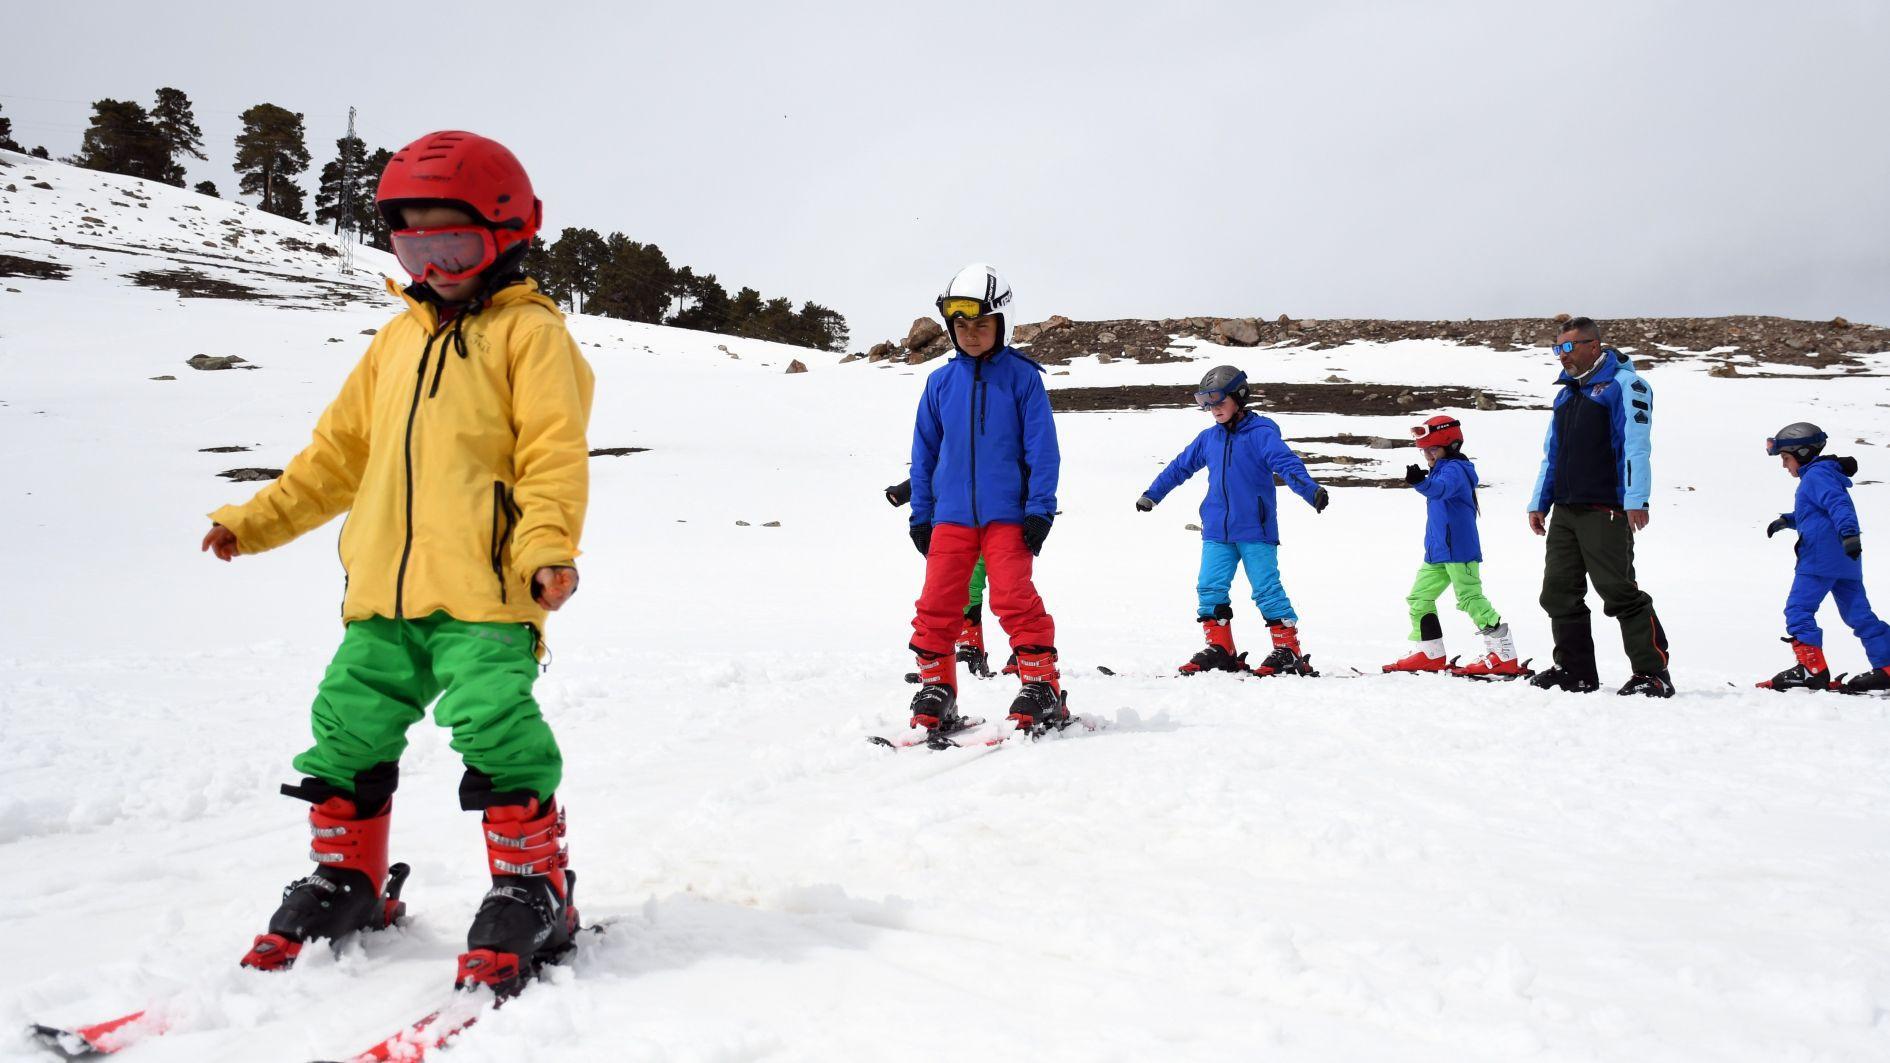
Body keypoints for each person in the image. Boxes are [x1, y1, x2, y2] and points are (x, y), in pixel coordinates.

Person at [201, 130, 594, 994]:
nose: (436, 263)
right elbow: (335, 455)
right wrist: (257, 519)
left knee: (495, 726)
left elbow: (552, 455)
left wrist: (545, 549)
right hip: (382, 594)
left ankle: (537, 887)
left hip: (489, 592)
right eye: (413, 243)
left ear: (507, 236)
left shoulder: (530, 337)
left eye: (453, 242)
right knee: (345, 725)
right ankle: (349, 881)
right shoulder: (394, 342)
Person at [904, 263, 1069, 736]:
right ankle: (938, 687)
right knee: (937, 603)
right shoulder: (939, 384)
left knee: (1014, 598)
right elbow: (924, 453)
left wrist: (1040, 508)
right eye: (961, 325)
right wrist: (922, 514)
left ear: (1003, 322)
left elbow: (1043, 450)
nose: (971, 334)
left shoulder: (1022, 379)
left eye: (981, 324)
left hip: (1008, 516)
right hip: (951, 517)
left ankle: (1041, 685)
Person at [1136, 366, 1329, 677]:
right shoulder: (1208, 439)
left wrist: (1311, 490)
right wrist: (1152, 494)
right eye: (1207, 404)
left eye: (1218, 402)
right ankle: (1220, 650)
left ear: (1239, 397)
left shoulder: (1261, 434)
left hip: (1255, 528)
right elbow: (1179, 467)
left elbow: (1286, 462)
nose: (1213, 410)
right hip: (1216, 530)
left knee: (1266, 589)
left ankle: (1288, 651)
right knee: (1209, 588)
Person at [1525, 317, 1673, 697]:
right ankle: (1575, 671)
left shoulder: (1626, 385)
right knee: (1557, 592)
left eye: (1569, 347)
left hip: (1605, 507)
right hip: (1566, 510)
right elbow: (1551, 454)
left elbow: (1636, 445)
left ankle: (1652, 673)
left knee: (1619, 591)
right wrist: (1539, 502)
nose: (1562, 356)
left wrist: (1635, 498)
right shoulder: (1566, 394)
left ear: (1594, 345)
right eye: (1558, 349)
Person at [1382, 415, 1527, 677]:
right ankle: (1429, 653)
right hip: (1437, 551)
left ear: (1451, 446)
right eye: (1424, 449)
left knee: (1469, 597)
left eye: (1432, 449)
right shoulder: (1441, 468)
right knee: (1419, 597)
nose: (1427, 455)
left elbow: (1440, 489)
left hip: (1459, 549)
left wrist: (1421, 482)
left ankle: (1503, 654)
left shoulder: (1456, 470)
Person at [1757, 423, 1890, 693]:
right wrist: (1787, 520)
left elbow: (1838, 504)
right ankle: (1887, 665)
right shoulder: (1824, 474)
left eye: (1785, 459)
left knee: (1799, 611)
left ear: (1803, 452)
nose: (1784, 466)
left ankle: (1810, 669)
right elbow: (1818, 513)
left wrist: (1849, 532)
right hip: (1845, 560)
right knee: (1859, 615)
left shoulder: (1816, 476)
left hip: (1819, 560)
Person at [886, 477, 995, 677]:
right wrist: (903, 491)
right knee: (946, 591)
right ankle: (947, 654)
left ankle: (972, 649)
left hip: (993, 520)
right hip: (955, 523)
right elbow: (935, 467)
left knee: (988, 588)